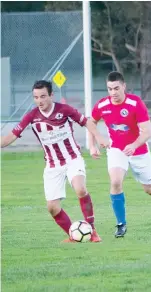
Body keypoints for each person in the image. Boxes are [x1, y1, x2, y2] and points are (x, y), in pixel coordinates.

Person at [1, 80, 109, 243]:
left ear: (51, 95)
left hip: (72, 159)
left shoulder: (64, 110)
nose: (40, 101)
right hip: (52, 165)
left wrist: (99, 138)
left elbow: (87, 122)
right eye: (36, 97)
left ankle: (92, 231)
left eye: (43, 96)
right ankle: (74, 236)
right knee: (52, 208)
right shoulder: (31, 116)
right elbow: (9, 138)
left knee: (80, 189)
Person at [88, 71, 151, 238]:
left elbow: (147, 132)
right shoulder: (102, 105)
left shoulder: (135, 104)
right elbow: (90, 122)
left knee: (150, 188)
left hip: (139, 150)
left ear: (124, 86)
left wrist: (134, 144)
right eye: (109, 89)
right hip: (116, 149)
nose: (113, 92)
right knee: (115, 181)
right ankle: (121, 224)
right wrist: (93, 144)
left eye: (116, 88)